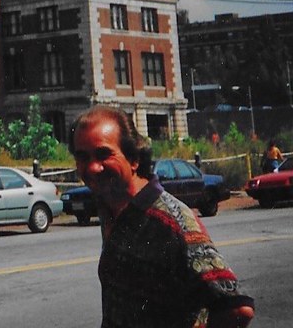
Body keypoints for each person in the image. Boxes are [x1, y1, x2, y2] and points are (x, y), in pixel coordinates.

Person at [68, 106, 255, 328]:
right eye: (82, 157)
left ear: (133, 159)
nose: (92, 167)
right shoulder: (110, 206)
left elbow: (237, 310)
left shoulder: (171, 221)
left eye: (103, 154)